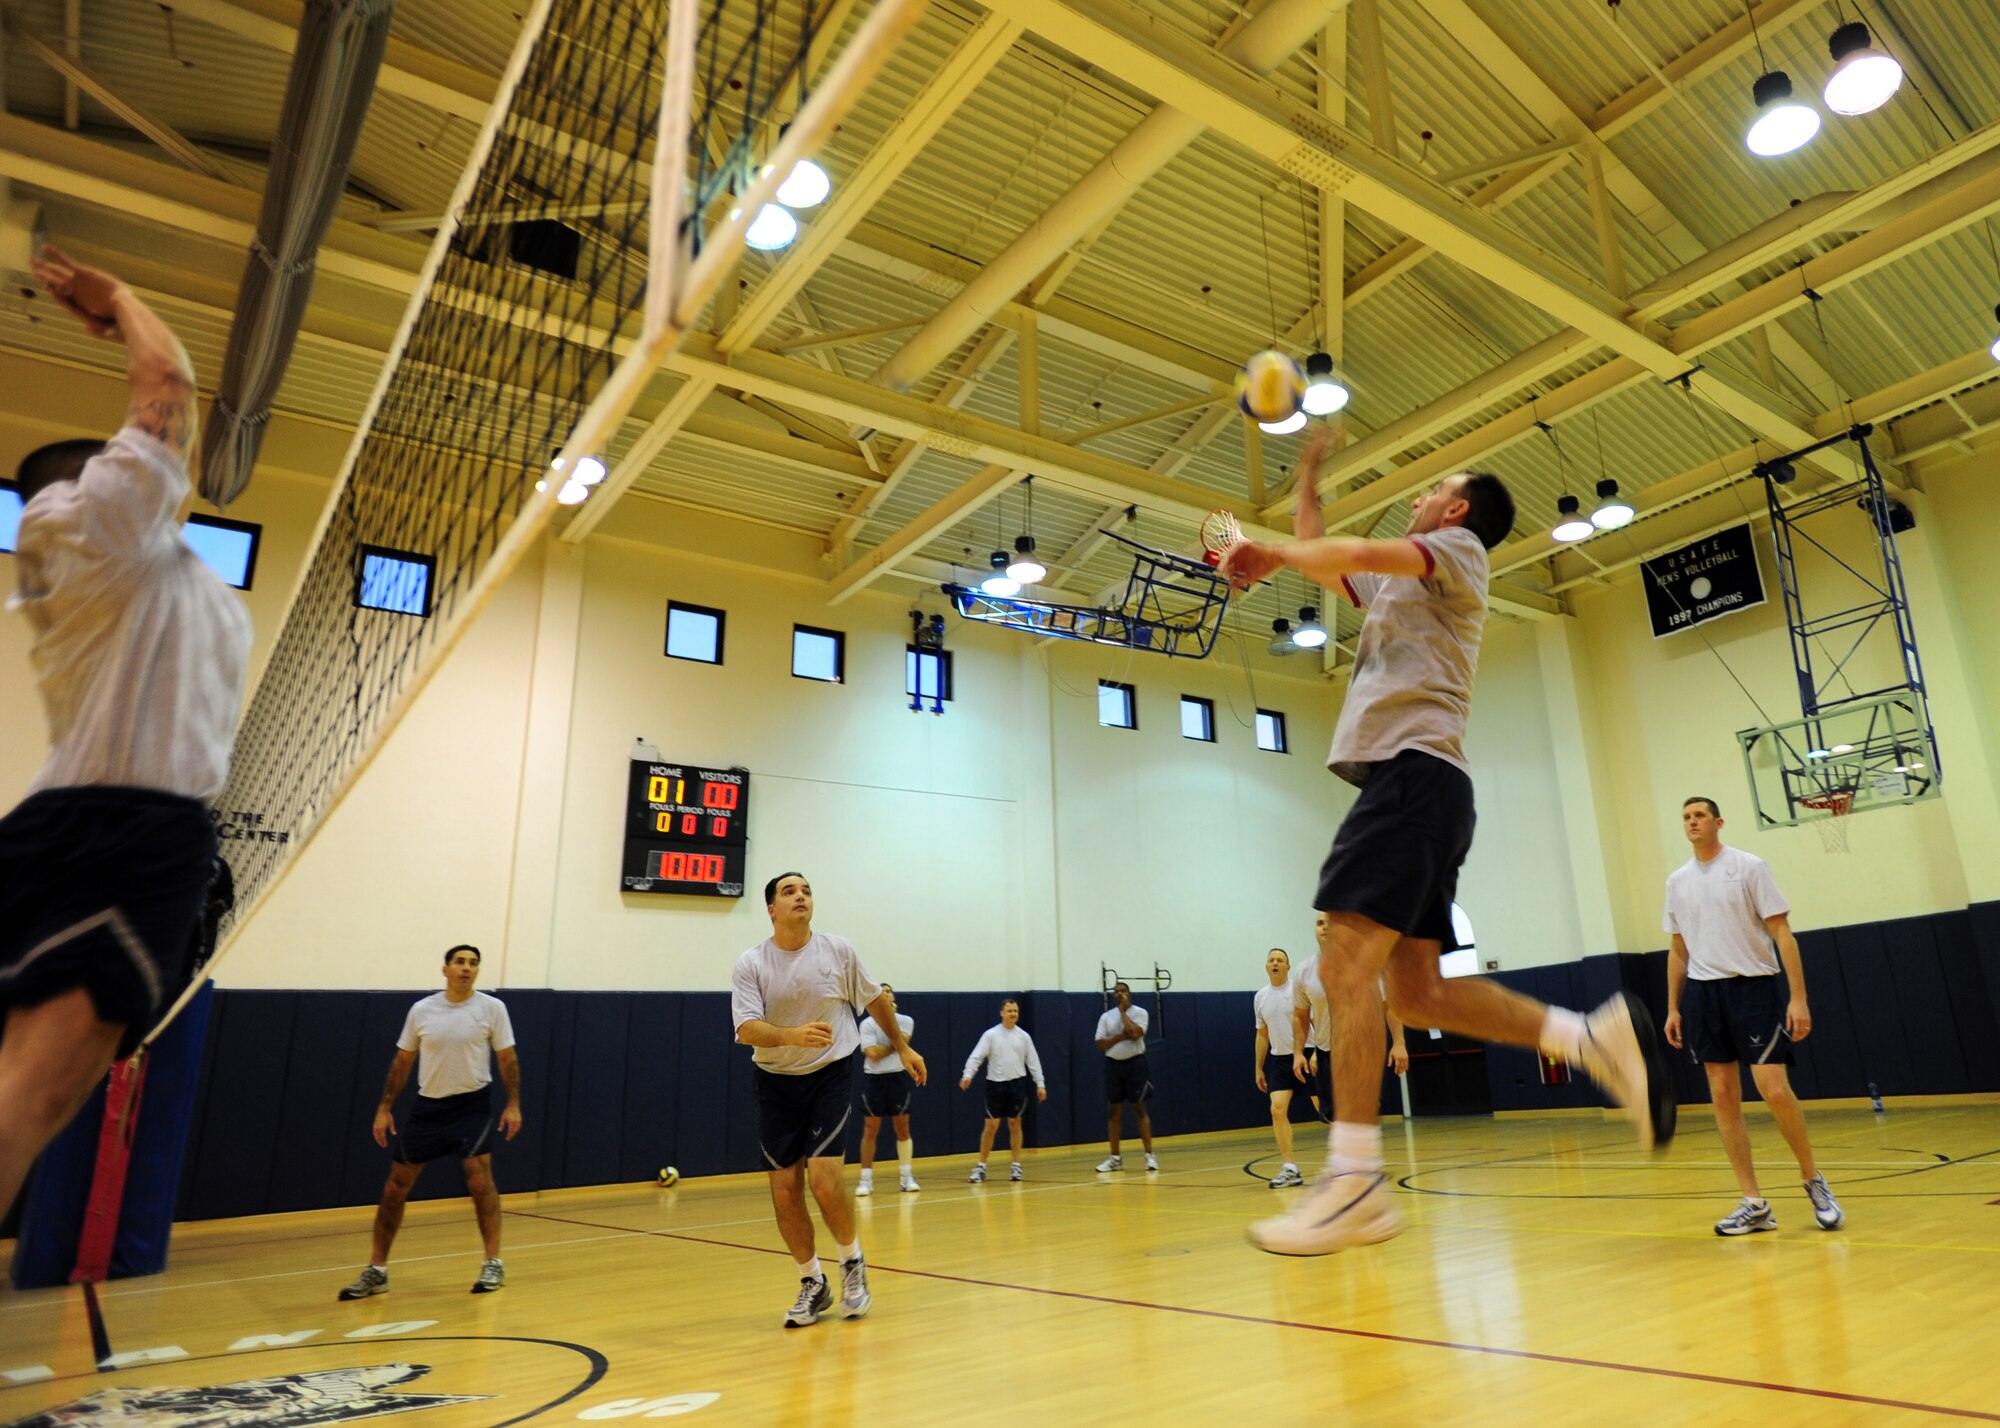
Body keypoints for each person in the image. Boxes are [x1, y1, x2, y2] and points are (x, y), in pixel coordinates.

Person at [1224, 426, 1674, 1256]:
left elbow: (1341, 552)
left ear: (1457, 508)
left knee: (1341, 964)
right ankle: (1592, 1037)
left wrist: (1271, 553)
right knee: (1421, 995)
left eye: (1431, 488)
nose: (1419, 496)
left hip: (1412, 777)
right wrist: (1308, 479)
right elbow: (1331, 557)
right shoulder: (1403, 581)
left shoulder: (1459, 548)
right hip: (1423, 789)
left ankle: (1353, 1181)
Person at [0, 247, 252, 1220]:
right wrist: (118, 301)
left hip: (70, 822)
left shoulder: (127, 568)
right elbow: (168, 383)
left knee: (26, 1090)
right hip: (129, 833)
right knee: (31, 1100)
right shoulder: (99, 515)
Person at [732, 871, 926, 1328]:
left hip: (829, 1076)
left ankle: (853, 1264)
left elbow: (875, 1000)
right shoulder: (751, 962)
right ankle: (811, 1282)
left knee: (823, 1180)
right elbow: (745, 1029)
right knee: (784, 1188)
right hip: (775, 1080)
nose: (800, 896)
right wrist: (790, 1036)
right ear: (771, 910)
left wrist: (903, 1046)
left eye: (806, 890)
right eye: (788, 891)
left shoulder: (838, 950)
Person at [1665, 797, 1842, 1235]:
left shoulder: (1748, 866)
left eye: (1699, 816)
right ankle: (1754, 1202)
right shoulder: (1677, 881)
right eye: (1686, 817)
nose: (1692, 822)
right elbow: (1678, 949)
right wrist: (1673, 1006)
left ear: (1718, 822)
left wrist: (1797, 999)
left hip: (1753, 990)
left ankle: (1812, 1180)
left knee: (1773, 1089)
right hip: (1704, 997)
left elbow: (1783, 932)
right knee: (1723, 1095)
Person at [339, 944, 522, 1299]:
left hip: (472, 1106)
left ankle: (493, 1263)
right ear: (445, 969)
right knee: (395, 1186)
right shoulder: (422, 1010)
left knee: (481, 1182)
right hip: (428, 1109)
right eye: (459, 962)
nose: (466, 968)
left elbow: (507, 1058)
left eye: (472, 964)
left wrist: (513, 1104)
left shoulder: (492, 1009)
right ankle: (377, 1270)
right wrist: (384, 1107)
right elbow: (403, 1061)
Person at [1292, 915, 1410, 1126]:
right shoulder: (1304, 971)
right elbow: (1300, 1017)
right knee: (1333, 1118)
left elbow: (1388, 1007)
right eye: (1319, 923)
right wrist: (1299, 1053)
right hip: (1326, 1052)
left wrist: (1399, 1043)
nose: (1325, 928)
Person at [960, 998, 1047, 1183]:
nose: (1013, 1014)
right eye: (1009, 1011)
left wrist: (1040, 1083)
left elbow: (1033, 1061)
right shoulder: (991, 1035)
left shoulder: (1024, 1037)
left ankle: (1016, 1166)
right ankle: (981, 1167)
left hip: (1017, 1085)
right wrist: (968, 1074)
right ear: (1002, 1013)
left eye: (1015, 1011)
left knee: (1015, 1124)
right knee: (991, 1126)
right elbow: (976, 1056)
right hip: (995, 1086)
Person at [856, 982, 919, 1196]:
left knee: (902, 1128)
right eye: (880, 992)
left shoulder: (906, 1020)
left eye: (888, 991)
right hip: (874, 1079)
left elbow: (904, 1041)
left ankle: (906, 1177)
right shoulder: (867, 1024)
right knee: (870, 1130)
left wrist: (896, 1043)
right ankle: (865, 1180)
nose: (885, 994)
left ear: (893, 998)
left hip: (897, 1078)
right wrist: (898, 1045)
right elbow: (873, 1053)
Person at [1094, 982, 1157, 1173]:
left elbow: (1136, 1034)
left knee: (1139, 1109)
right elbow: (1100, 1043)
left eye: (1123, 991)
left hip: (1135, 1065)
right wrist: (1121, 1036)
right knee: (1113, 1112)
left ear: (1129, 994)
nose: (1120, 994)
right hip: (1113, 1066)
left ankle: (1149, 1156)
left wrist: (1123, 1013)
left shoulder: (1140, 1013)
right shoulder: (1106, 1016)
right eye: (1117, 992)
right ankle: (1115, 1158)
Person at [1254, 949, 1304, 1187]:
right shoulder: (1260, 997)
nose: (1275, 963)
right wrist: (1258, 1068)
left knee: (1326, 1111)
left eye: (1280, 960)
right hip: (1280, 1060)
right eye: (1271, 960)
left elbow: (1313, 1021)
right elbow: (1262, 1034)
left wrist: (1315, 1056)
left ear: (1288, 966)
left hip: (1306, 1054)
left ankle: (1349, 1165)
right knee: (1277, 1109)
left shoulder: (1298, 990)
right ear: (1266, 967)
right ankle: (1290, 1167)